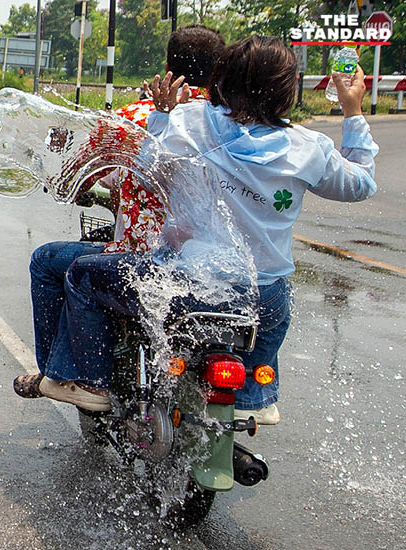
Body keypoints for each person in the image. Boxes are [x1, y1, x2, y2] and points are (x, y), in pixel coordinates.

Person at [38, 36, 378, 425]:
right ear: (288, 90)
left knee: (81, 274)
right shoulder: (309, 147)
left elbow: (149, 169)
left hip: (187, 286)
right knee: (277, 291)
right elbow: (360, 185)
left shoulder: (188, 122)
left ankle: (90, 383)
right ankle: (256, 394)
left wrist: (164, 116)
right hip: (261, 299)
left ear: (223, 79)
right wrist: (352, 112)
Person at [13, 25, 226, 403]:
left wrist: (70, 180)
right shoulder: (232, 121)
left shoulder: (131, 119)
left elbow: (73, 182)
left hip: (142, 260)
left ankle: (61, 376)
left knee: (47, 262)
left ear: (167, 66)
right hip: (214, 266)